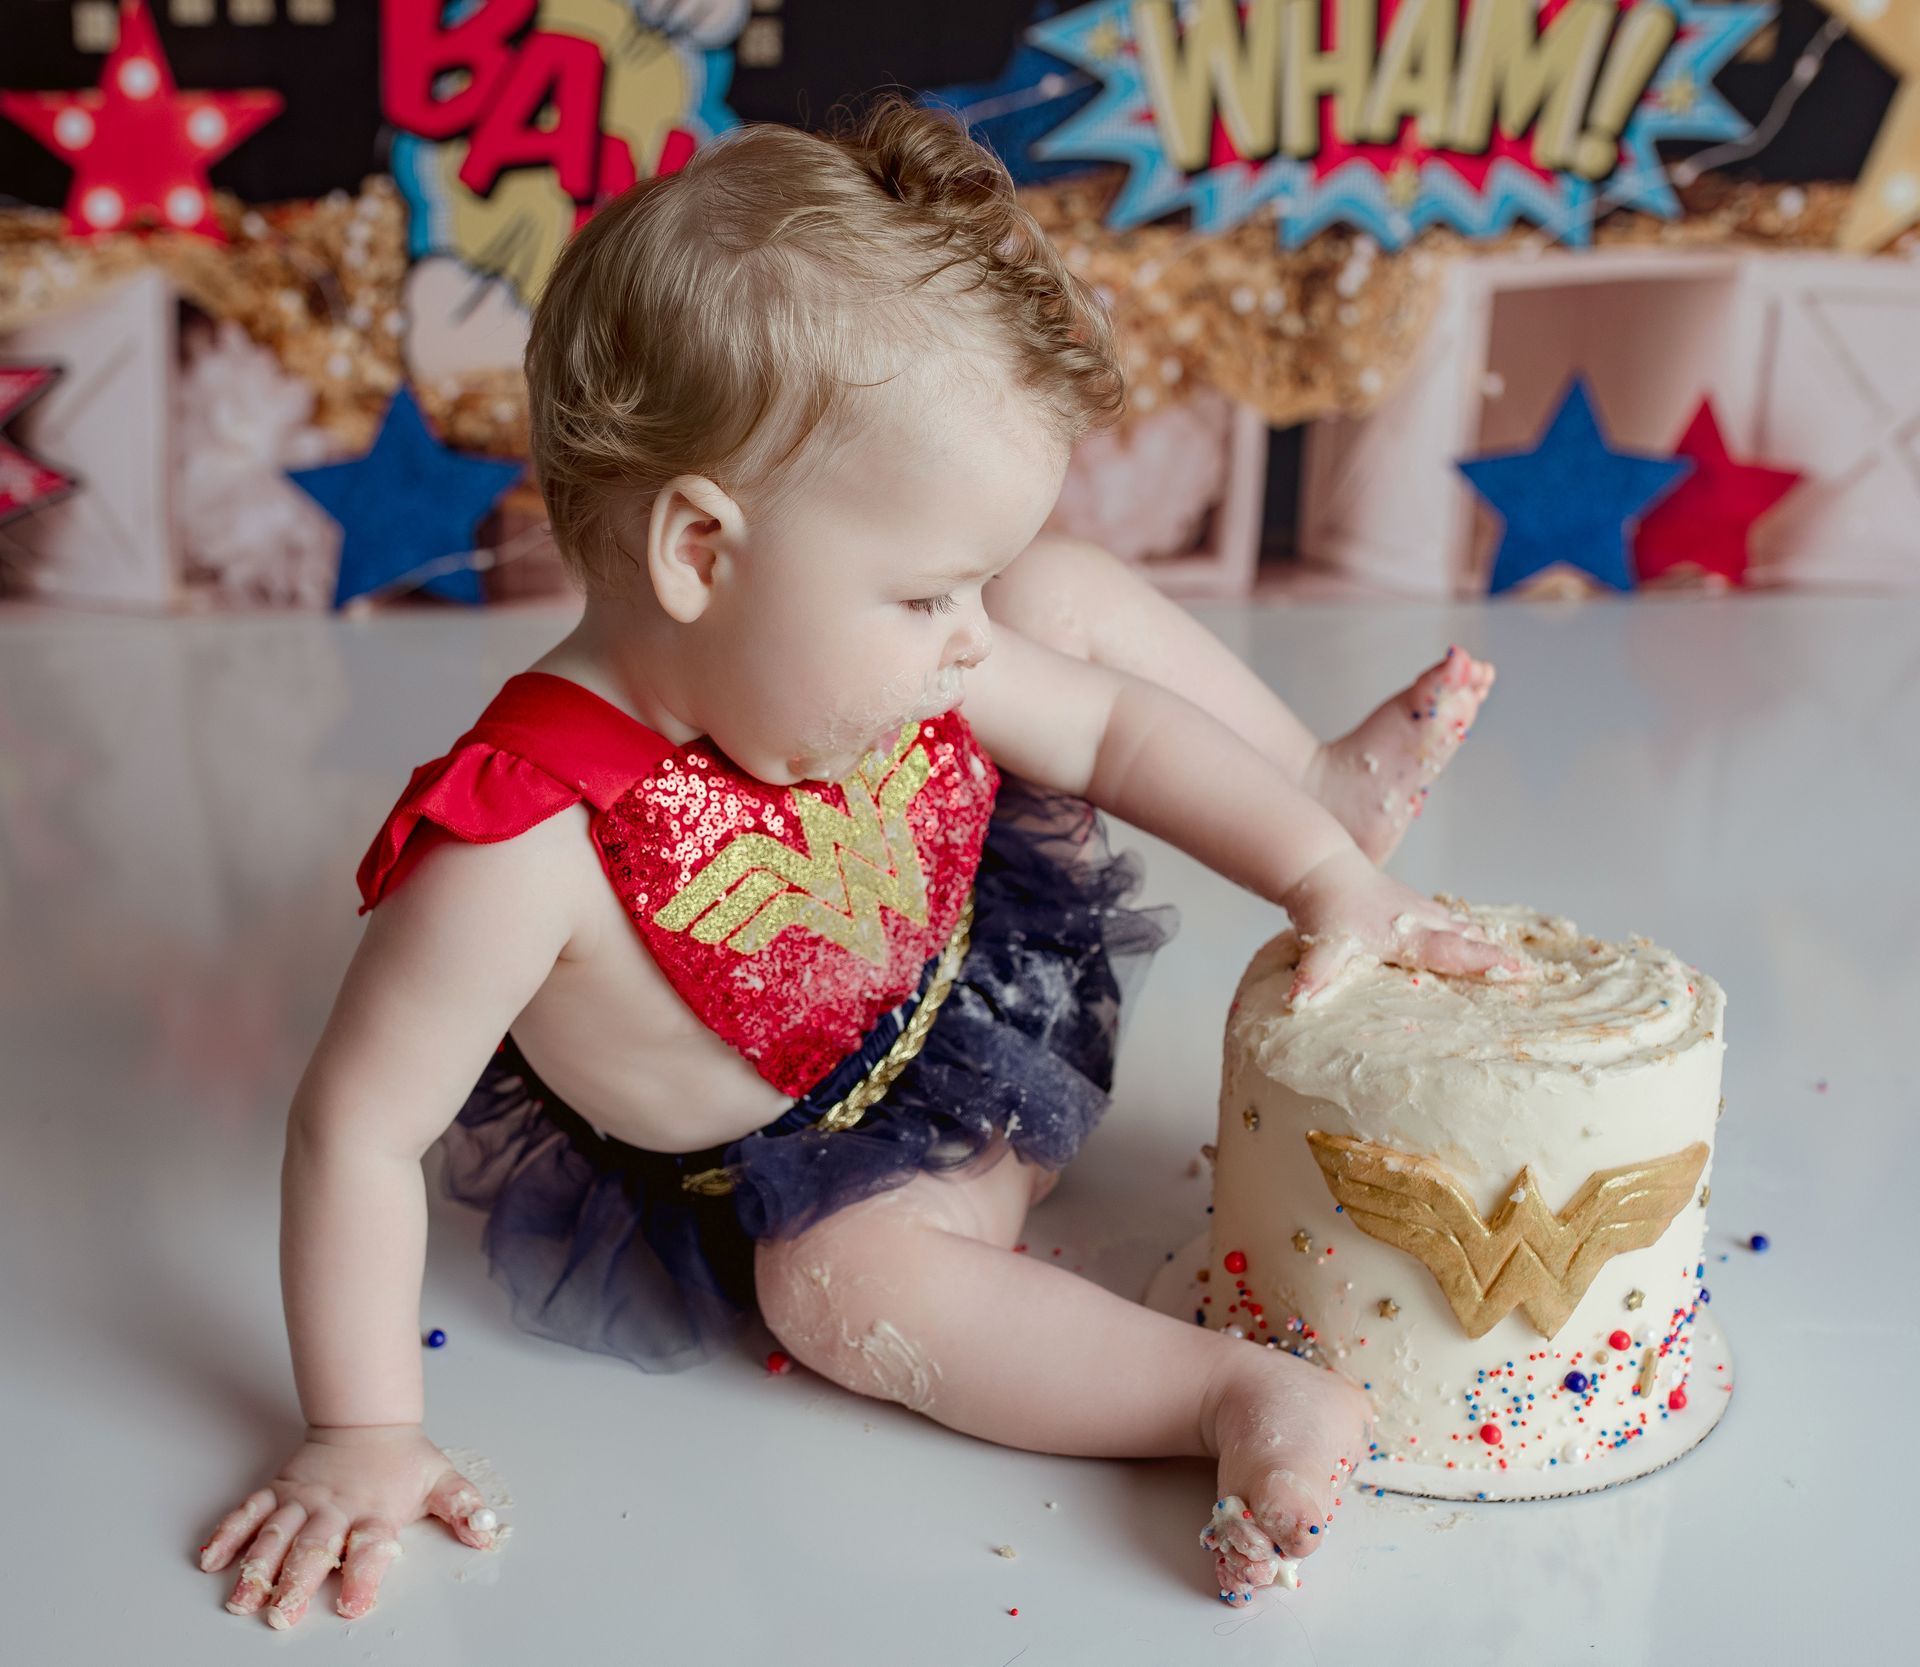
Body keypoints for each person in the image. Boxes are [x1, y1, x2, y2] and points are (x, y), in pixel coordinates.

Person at [195, 93, 1527, 1629]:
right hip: (838, 1177)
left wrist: (1317, 875)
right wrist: (362, 1431)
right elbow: (356, 1134)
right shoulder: (523, 843)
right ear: (702, 554)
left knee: (1061, 596)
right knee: (832, 1298)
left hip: (987, 986)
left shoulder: (896, 643)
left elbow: (1102, 737)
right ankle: (1232, 1401)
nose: (962, 633)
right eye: (916, 597)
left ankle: (1313, 781)